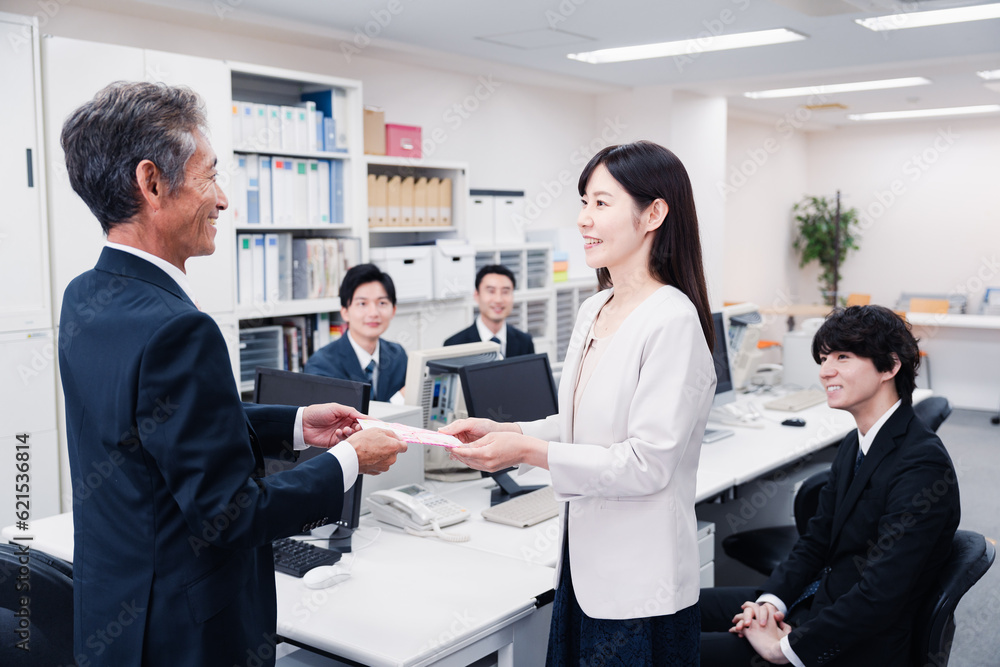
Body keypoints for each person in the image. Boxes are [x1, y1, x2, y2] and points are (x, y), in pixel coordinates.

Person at [58, 81, 407, 667]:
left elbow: (160, 422)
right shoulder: (178, 328)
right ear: (151, 184)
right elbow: (232, 514)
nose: (222, 201)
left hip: (115, 620)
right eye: (209, 177)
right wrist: (350, 461)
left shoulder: (85, 297)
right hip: (187, 636)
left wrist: (295, 425)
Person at [441, 141, 717, 666]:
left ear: (653, 213)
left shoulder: (672, 319)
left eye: (601, 203)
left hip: (640, 585)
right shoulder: (595, 308)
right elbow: (577, 422)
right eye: (584, 202)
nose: (584, 218)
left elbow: (647, 463)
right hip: (582, 564)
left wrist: (525, 452)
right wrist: (508, 429)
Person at [700, 305, 960, 667]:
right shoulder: (859, 441)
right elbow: (816, 540)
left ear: (890, 366)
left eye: (843, 357)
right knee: (674, 610)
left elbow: (880, 596)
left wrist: (784, 649)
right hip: (816, 601)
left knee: (673, 649)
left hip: (851, 643)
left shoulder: (921, 466)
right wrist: (769, 605)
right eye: (823, 358)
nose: (825, 372)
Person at [304, 263, 407, 402]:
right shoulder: (321, 364)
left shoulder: (398, 355)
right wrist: (399, 400)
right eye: (362, 304)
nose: (373, 313)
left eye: (382, 303)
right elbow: (341, 421)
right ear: (345, 312)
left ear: (393, 310)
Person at [443, 264, 534, 357]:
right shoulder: (454, 345)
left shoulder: (525, 342)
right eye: (491, 291)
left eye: (505, 292)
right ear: (476, 295)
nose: (498, 299)